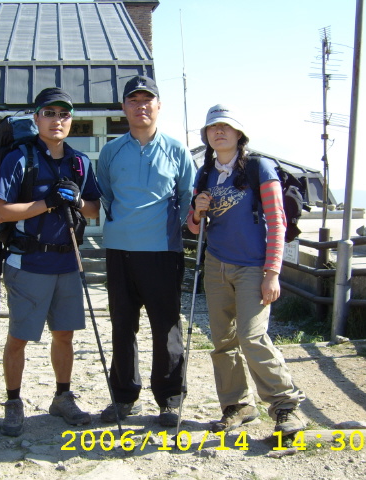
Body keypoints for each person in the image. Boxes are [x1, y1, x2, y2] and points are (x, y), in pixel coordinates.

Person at [188, 104, 306, 435]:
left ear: (239, 133)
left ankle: (286, 406)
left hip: (253, 267)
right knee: (223, 340)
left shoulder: (259, 168)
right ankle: (237, 405)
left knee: (251, 336)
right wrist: (197, 211)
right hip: (216, 264)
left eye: (226, 126)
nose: (219, 131)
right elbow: (194, 228)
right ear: (206, 135)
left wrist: (272, 273)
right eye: (213, 127)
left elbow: (277, 222)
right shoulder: (204, 174)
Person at [0, 87, 101, 436]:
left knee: (64, 335)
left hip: (67, 262)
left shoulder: (79, 162)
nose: (57, 120)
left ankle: (62, 397)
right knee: (19, 337)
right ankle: (13, 402)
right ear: (37, 118)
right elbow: (1, 212)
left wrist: (77, 200)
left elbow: (94, 211)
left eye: (64, 114)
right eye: (50, 113)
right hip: (28, 262)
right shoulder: (19, 159)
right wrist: (48, 202)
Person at [96, 75, 195, 427]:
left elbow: (188, 197)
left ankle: (169, 399)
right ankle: (124, 397)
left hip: (163, 252)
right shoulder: (110, 152)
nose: (141, 106)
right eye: (133, 100)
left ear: (158, 105)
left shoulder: (177, 150)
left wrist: (171, 229)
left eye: (147, 100)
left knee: (166, 327)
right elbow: (106, 195)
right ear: (123, 107)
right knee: (123, 326)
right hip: (119, 250)